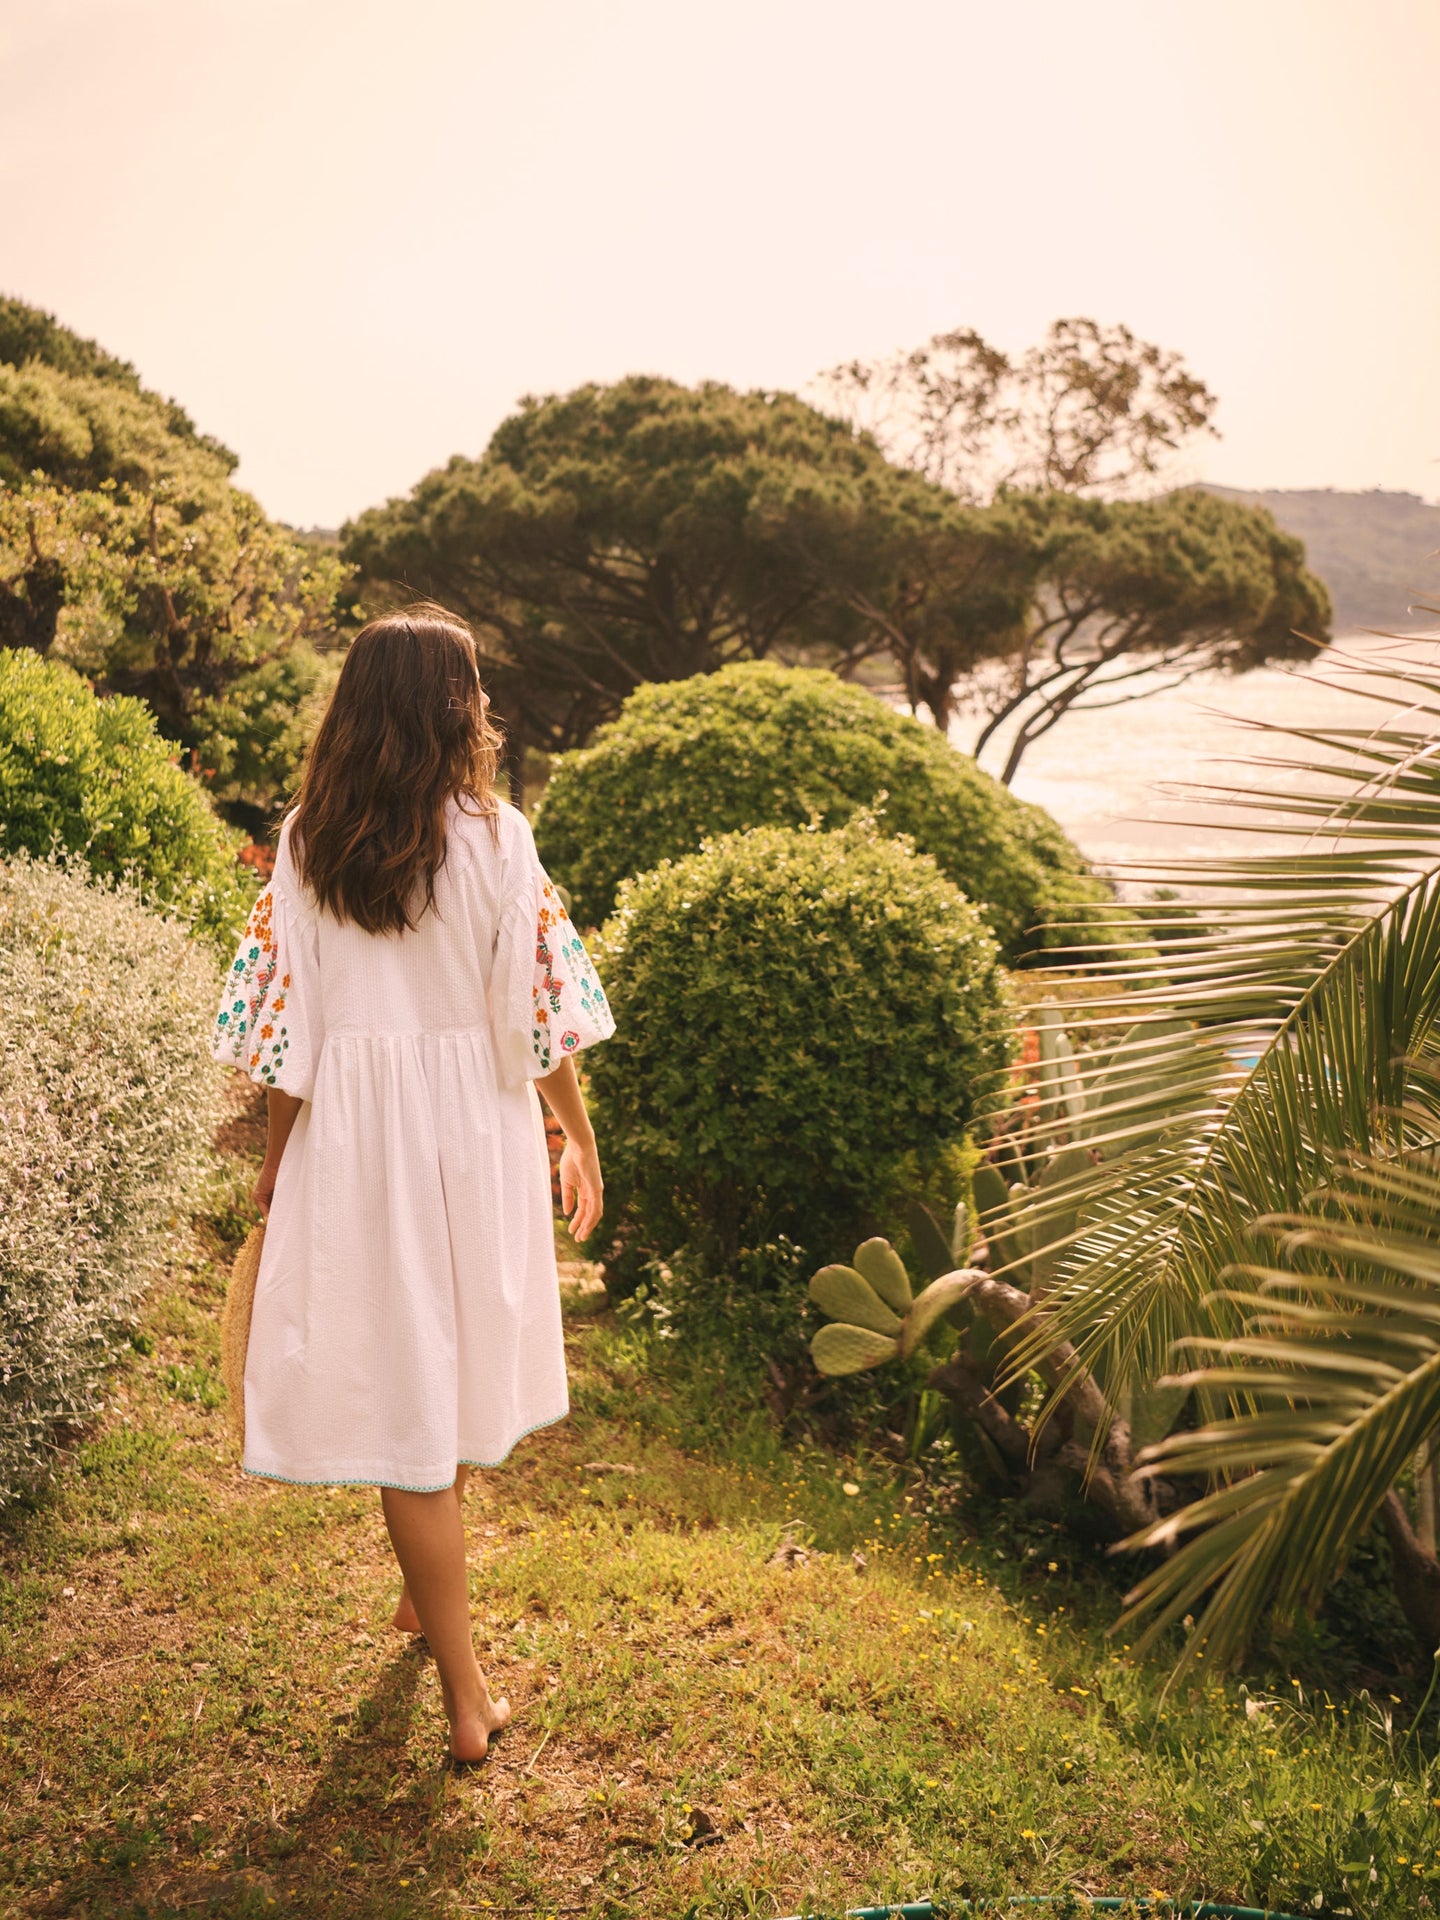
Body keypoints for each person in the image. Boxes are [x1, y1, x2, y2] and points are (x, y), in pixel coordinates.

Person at [212, 603, 612, 1767]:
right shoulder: (500, 837)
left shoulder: (307, 841)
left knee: (411, 1386)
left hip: (357, 1139)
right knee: (437, 1387)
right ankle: (465, 1693)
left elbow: (287, 1036)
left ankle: (427, 1613)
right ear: (455, 707)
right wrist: (575, 1136)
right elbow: (535, 1018)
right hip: (475, 1132)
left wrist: (278, 1162)